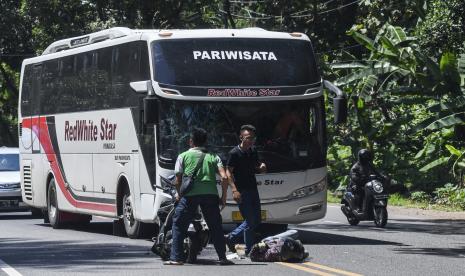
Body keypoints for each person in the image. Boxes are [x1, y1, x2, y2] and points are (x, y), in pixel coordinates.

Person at [164, 127, 234, 265]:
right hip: (210, 194)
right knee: (215, 226)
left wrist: (179, 195)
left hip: (190, 195)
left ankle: (176, 258)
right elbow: (225, 177)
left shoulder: (182, 156)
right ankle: (222, 257)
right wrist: (224, 196)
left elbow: (178, 180)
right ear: (205, 142)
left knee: (178, 224)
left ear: (191, 141)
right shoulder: (214, 156)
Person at [225, 124, 267, 256]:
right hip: (242, 191)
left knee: (257, 220)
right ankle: (249, 249)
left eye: (252, 138)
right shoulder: (234, 153)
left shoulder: (253, 151)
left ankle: (231, 237)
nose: (250, 140)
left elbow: (256, 165)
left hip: (253, 189)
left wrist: (261, 166)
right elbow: (228, 173)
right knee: (249, 221)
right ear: (241, 137)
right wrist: (234, 190)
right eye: (248, 138)